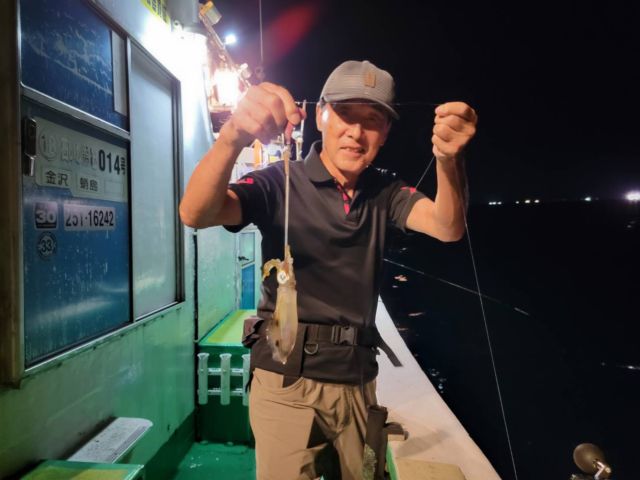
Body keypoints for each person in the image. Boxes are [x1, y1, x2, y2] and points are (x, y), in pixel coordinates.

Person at [180, 60, 477, 480]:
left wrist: (449, 160)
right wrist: (233, 135)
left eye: (372, 120)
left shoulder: (386, 192)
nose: (356, 131)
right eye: (344, 114)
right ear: (320, 115)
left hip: (357, 380)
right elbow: (195, 213)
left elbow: (447, 227)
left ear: (385, 133)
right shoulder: (277, 181)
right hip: (284, 379)